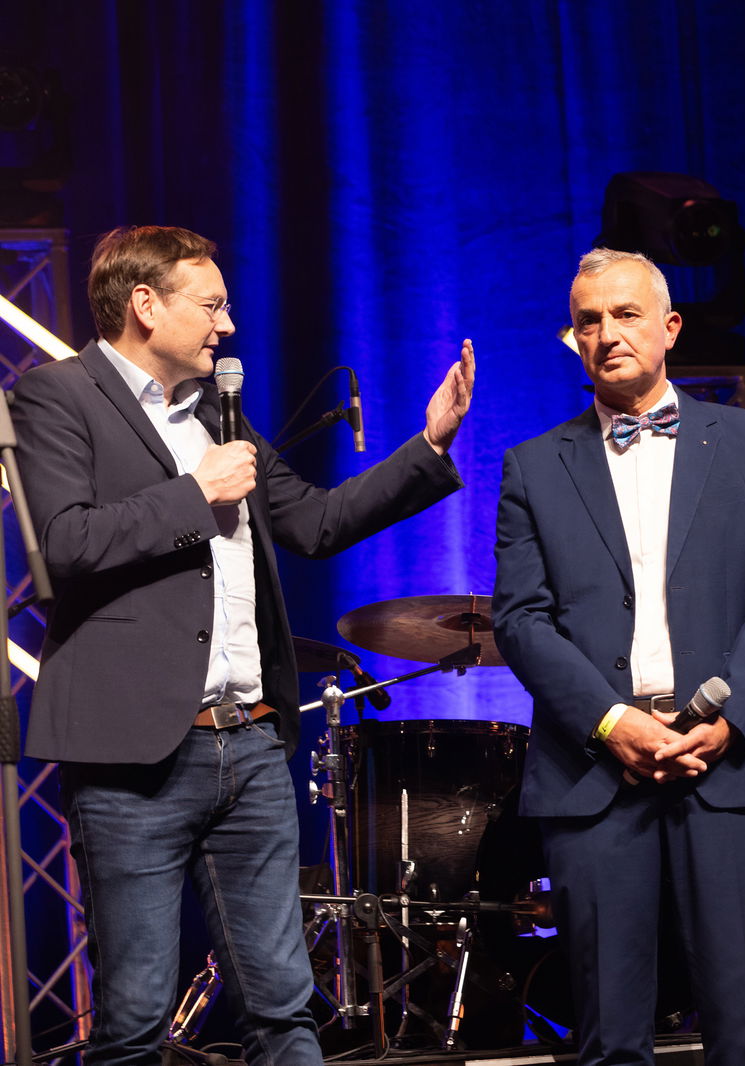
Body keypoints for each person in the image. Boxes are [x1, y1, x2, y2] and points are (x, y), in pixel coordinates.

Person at [11, 224, 475, 1065]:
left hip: (251, 745)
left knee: (284, 1007)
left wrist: (429, 446)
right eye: (212, 305)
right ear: (146, 305)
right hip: (133, 758)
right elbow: (66, 543)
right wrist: (197, 493)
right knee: (136, 1019)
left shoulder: (217, 415)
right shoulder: (57, 396)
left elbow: (316, 522)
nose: (227, 325)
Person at [492, 248, 745, 1066]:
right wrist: (611, 722)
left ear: (670, 328)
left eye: (626, 314)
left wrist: (734, 717)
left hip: (727, 767)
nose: (607, 334)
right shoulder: (533, 465)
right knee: (610, 1042)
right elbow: (521, 620)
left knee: (743, 1037)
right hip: (594, 774)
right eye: (588, 321)